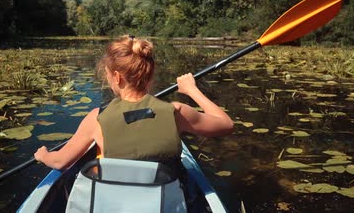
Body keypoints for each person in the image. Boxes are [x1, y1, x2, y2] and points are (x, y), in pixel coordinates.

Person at [34, 35, 234, 170]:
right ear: (150, 74)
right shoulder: (177, 112)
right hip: (164, 200)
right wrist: (192, 90)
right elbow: (226, 124)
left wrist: (43, 155)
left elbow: (59, 162)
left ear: (117, 77)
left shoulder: (96, 118)